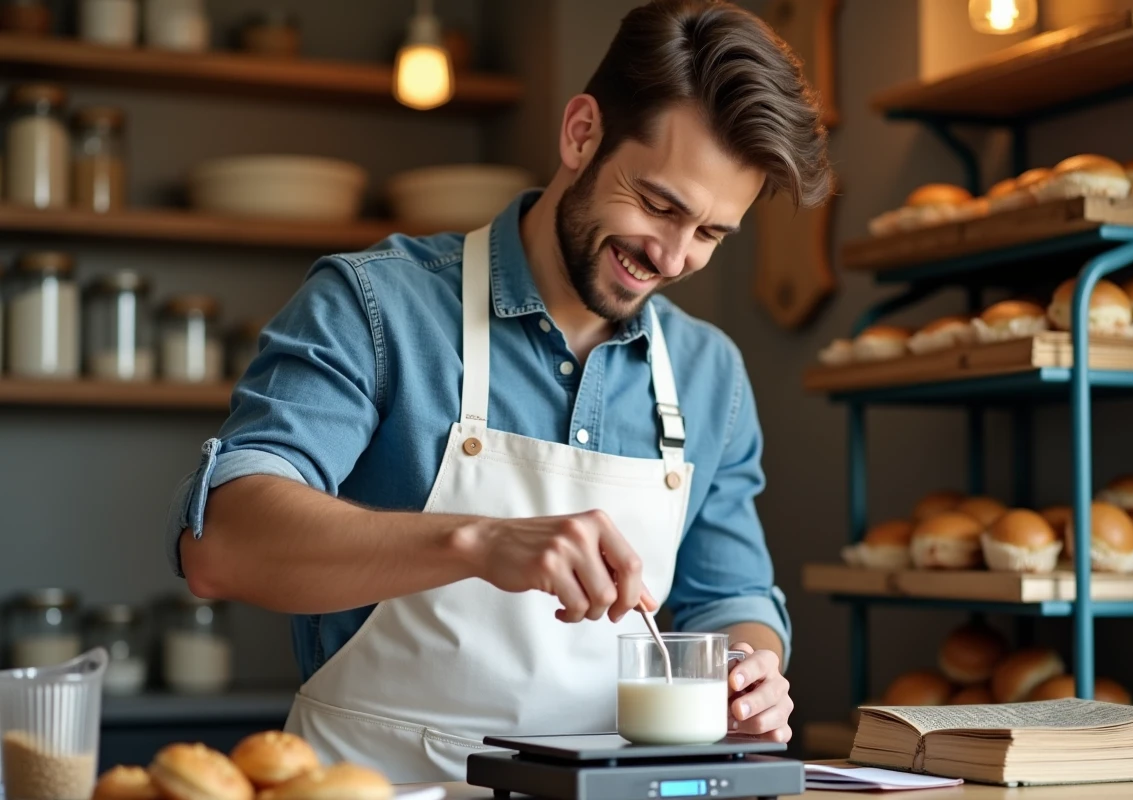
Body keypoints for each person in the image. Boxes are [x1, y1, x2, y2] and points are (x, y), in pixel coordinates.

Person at [165, 0, 831, 783]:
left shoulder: (708, 373)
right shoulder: (377, 308)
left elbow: (732, 597)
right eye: (659, 205)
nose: (675, 257)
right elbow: (221, 544)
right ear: (581, 133)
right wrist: (475, 542)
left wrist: (750, 672)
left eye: (712, 234)